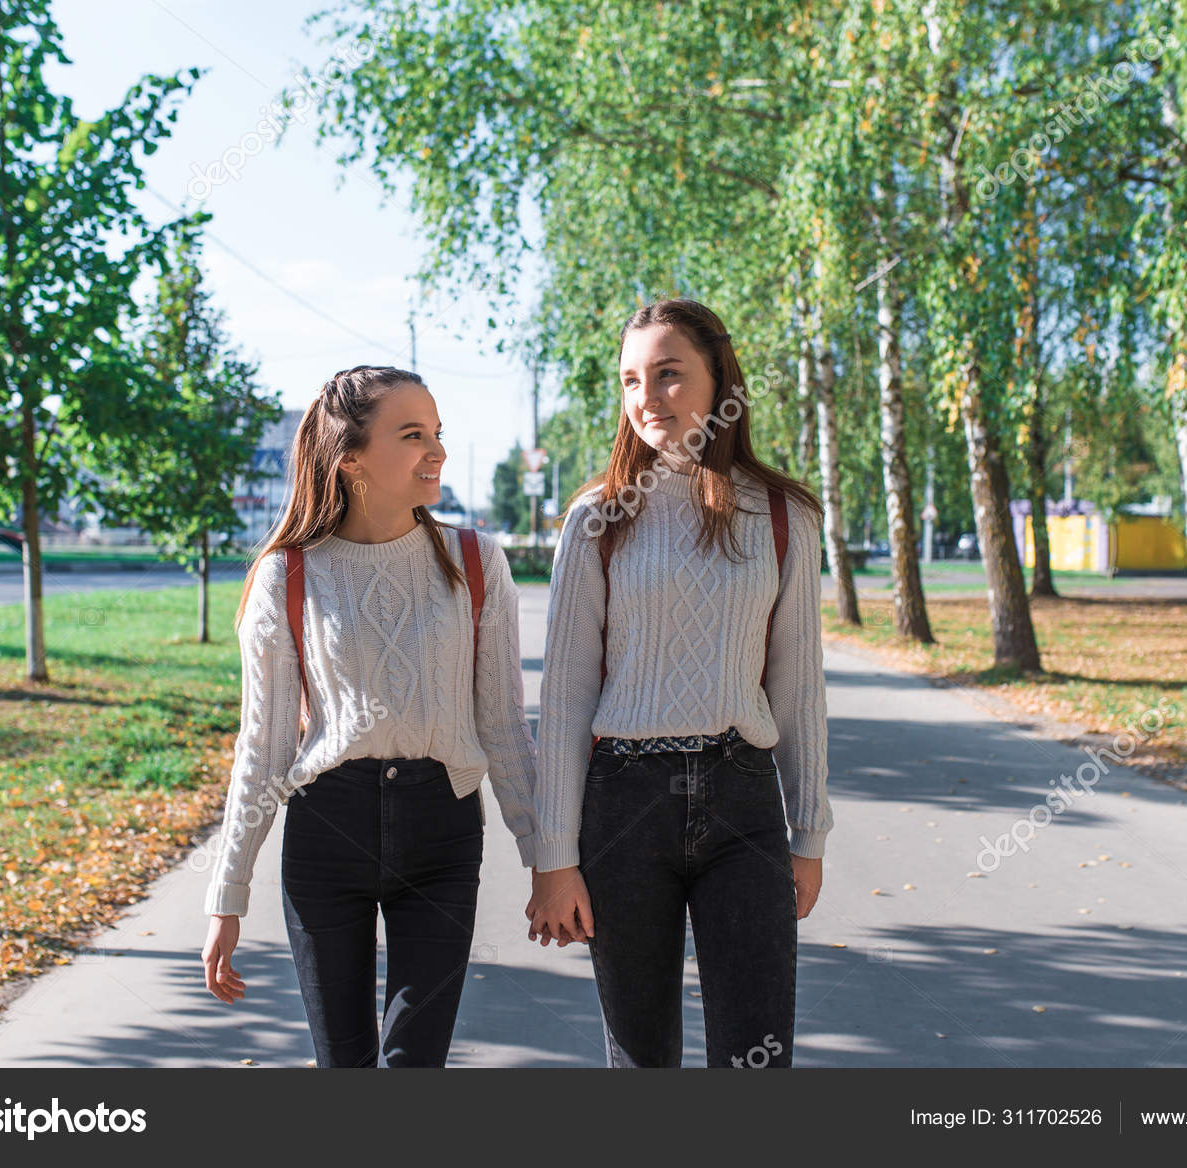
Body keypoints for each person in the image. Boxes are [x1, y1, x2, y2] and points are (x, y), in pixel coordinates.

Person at [200, 365, 539, 1069]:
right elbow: (262, 749)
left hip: (442, 833)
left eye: (438, 433)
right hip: (329, 833)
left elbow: (505, 727)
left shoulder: (474, 562)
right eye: (413, 435)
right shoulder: (288, 575)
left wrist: (548, 861)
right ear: (350, 458)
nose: (436, 451)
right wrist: (226, 895)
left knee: (413, 1066)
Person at [527, 298, 833, 1067]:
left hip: (743, 801)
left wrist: (810, 834)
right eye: (631, 380)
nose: (647, 398)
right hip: (623, 805)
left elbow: (799, 687)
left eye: (669, 374)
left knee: (756, 1060)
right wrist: (553, 855)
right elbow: (563, 700)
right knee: (641, 1062)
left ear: (718, 379)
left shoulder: (785, 515)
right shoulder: (596, 519)